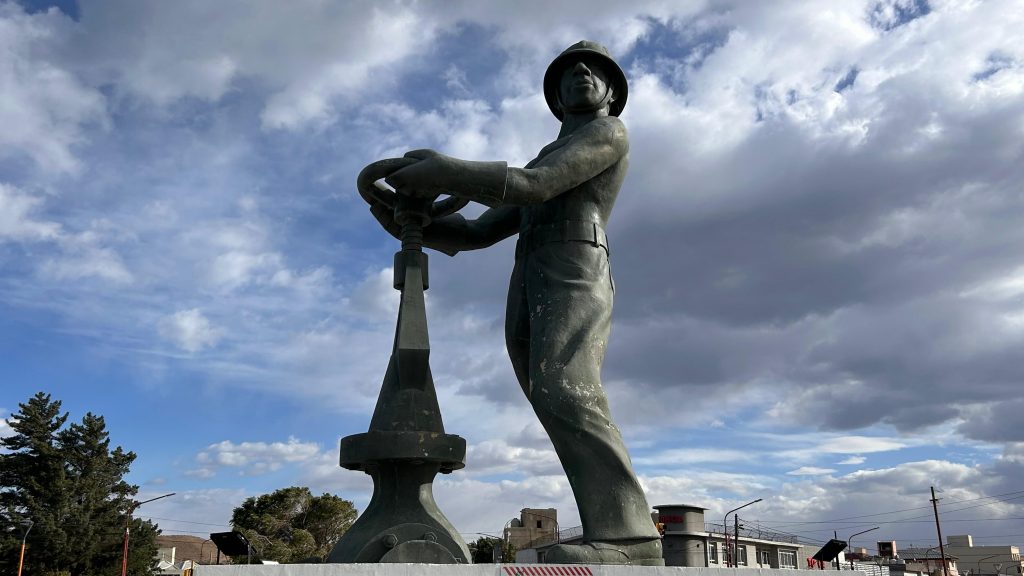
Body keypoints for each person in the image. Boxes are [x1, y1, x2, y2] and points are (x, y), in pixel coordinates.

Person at [369, 41, 662, 565]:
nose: (580, 71)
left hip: (575, 263)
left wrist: (445, 172)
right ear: (556, 98)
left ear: (612, 94)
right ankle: (614, 528)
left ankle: (630, 538)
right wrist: (413, 221)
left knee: (566, 387)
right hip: (531, 271)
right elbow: (478, 232)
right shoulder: (546, 154)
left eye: (593, 70)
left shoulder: (608, 132)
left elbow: (534, 186)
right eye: (568, 71)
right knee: (548, 392)